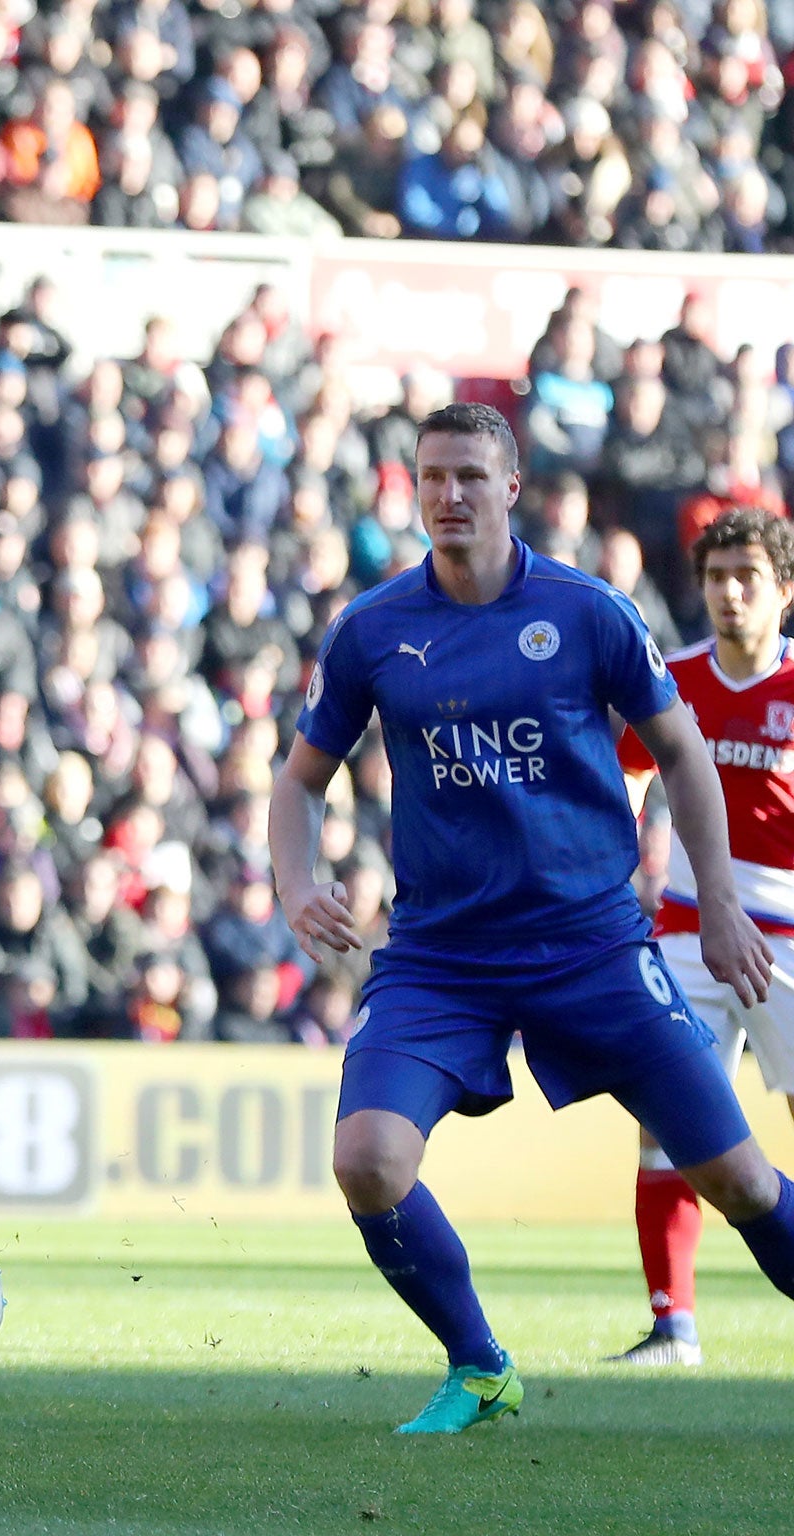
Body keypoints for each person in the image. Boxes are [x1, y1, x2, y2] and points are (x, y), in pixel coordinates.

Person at [271, 401, 794, 1435]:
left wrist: (720, 901)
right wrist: (295, 884)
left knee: (733, 1180)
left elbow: (681, 753)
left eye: (469, 474)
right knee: (366, 1161)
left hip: (593, 947)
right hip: (438, 957)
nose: (447, 495)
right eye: (429, 476)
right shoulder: (372, 629)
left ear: (509, 487)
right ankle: (477, 1365)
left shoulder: (588, 610)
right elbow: (298, 782)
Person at [613, 509, 794, 1366]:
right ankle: (672, 1325)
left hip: (789, 942)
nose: (729, 593)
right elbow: (625, 773)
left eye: (748, 577)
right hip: (685, 931)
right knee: (667, 1128)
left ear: (783, 591)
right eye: (717, 577)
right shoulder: (672, 678)